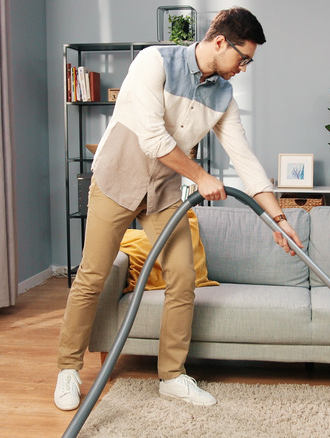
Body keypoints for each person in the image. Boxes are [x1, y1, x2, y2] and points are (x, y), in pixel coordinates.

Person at [54, 7, 302, 411]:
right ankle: (67, 369)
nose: (244, 67)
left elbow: (245, 159)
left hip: (163, 191)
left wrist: (278, 218)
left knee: (183, 277)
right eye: (244, 58)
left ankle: (171, 375)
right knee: (93, 276)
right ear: (220, 42)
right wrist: (201, 176)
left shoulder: (223, 95)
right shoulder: (154, 62)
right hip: (116, 179)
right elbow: (152, 137)